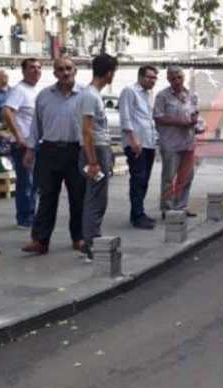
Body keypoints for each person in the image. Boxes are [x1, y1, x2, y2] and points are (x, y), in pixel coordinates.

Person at [21, 57, 86, 254]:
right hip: (49, 151)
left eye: (68, 68)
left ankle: (79, 237)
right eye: (60, 69)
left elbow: (97, 125)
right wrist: (30, 150)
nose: (65, 72)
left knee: (78, 197)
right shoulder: (44, 95)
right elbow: (35, 126)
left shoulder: (86, 94)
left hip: (77, 151)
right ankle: (40, 241)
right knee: (47, 196)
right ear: (54, 73)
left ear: (75, 70)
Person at [77, 54, 118, 260]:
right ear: (109, 73)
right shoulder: (90, 96)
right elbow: (87, 131)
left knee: (97, 198)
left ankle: (91, 239)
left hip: (100, 149)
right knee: (96, 199)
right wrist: (93, 161)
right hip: (95, 151)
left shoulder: (92, 95)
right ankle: (91, 242)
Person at [2, 58, 43, 228]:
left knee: (33, 183)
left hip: (35, 143)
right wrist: (18, 136)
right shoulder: (19, 90)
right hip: (24, 144)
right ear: (23, 71)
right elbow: (7, 111)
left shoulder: (34, 90)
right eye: (32, 68)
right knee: (26, 182)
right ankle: (25, 218)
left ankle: (30, 215)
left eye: (39, 68)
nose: (36, 71)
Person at [154, 66, 199, 218]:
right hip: (171, 144)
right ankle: (167, 208)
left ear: (183, 77)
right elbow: (158, 117)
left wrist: (196, 123)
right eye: (173, 78)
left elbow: (194, 114)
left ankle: (181, 206)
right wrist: (179, 122)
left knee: (186, 177)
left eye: (179, 77)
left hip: (188, 142)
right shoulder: (162, 96)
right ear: (168, 79)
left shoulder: (191, 95)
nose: (177, 81)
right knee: (168, 178)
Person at [118, 65, 159, 229]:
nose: (153, 81)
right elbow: (125, 117)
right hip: (136, 143)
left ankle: (138, 213)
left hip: (148, 143)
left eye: (155, 78)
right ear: (141, 77)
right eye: (150, 77)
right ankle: (137, 215)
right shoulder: (129, 91)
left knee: (145, 180)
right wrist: (133, 141)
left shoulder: (150, 94)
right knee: (138, 179)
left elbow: (149, 118)